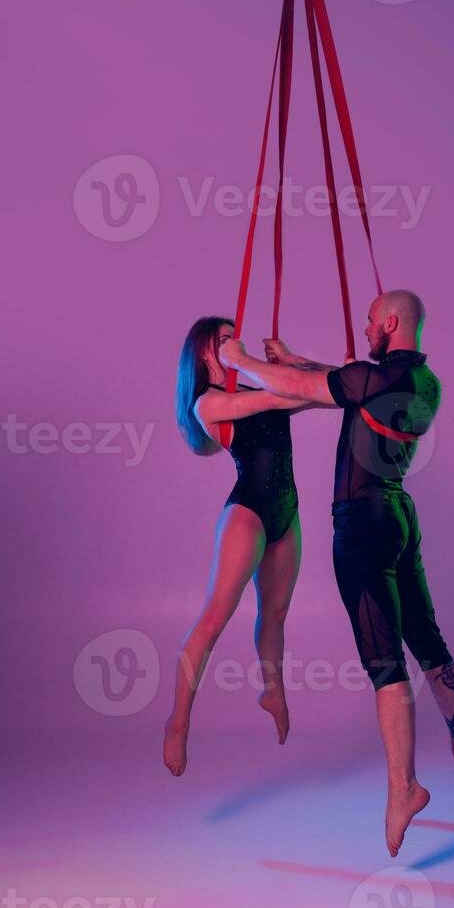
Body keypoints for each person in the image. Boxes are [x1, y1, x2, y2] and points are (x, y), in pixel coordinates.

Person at [219, 290, 454, 856]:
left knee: (384, 660)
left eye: (370, 321)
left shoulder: (374, 378)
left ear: (390, 323)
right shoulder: (423, 382)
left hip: (361, 525)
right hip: (398, 516)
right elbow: (344, 377)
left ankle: (404, 788)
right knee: (428, 639)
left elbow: (317, 387)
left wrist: (242, 363)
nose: (365, 327)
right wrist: (292, 358)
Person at [163, 316, 313, 777]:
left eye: (236, 336)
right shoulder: (208, 404)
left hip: (287, 510)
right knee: (214, 619)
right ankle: (179, 722)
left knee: (277, 613)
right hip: (248, 513)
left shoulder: (253, 385)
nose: (236, 344)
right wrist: (270, 370)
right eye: (225, 340)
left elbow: (313, 392)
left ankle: (273, 690)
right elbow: (285, 394)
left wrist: (291, 361)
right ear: (206, 353)